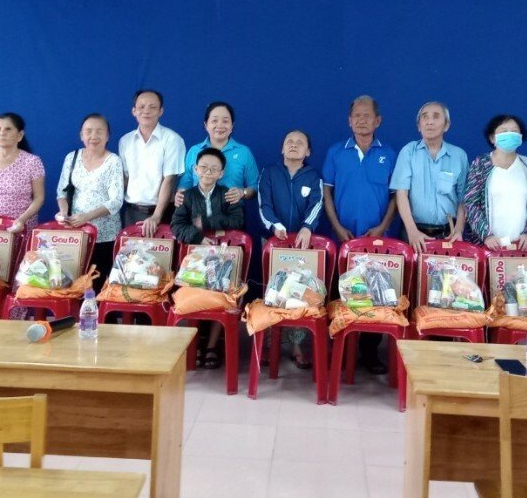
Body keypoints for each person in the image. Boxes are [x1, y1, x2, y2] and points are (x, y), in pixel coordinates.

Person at [322, 95, 398, 375]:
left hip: (377, 239)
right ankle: (340, 349)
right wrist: (337, 227)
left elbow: (396, 196)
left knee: (373, 293)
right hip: (342, 237)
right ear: (349, 120)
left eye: (367, 116)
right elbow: (326, 193)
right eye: (356, 115)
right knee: (339, 292)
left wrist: (381, 228)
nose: (361, 120)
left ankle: (369, 352)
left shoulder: (389, 154)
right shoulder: (336, 152)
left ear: (378, 120)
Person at [170, 148, 246, 369]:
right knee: (195, 295)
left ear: (221, 173)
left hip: (224, 257)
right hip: (196, 259)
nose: (208, 172)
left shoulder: (227, 194)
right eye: (203, 167)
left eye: (214, 169)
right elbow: (177, 225)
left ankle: (212, 346)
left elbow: (238, 219)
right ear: (195, 169)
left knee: (222, 295)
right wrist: (198, 237)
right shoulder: (187, 196)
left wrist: (205, 222)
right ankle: (196, 344)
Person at [257, 129, 324, 369]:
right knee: (272, 292)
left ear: (308, 152)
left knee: (298, 294)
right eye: (289, 141)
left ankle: (296, 345)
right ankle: (269, 342)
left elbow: (317, 204)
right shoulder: (269, 172)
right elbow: (263, 205)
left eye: (300, 142)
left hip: (302, 245)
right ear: (282, 148)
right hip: (273, 242)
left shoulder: (313, 176)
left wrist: (307, 227)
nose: (293, 145)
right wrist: (274, 225)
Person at [56, 113, 125, 292]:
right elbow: (62, 192)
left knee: (98, 283)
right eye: (88, 131)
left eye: (99, 131)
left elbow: (116, 201)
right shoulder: (72, 157)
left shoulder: (113, 161)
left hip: (105, 234)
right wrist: (63, 212)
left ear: (108, 136)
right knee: (74, 282)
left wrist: (87, 216)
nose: (93, 136)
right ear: (81, 135)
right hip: (76, 232)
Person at [392, 102, 468, 253]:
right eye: (424, 117)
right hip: (414, 233)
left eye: (436, 116)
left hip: (449, 235)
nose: (429, 121)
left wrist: (458, 229)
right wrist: (412, 231)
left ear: (446, 125)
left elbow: (464, 198)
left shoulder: (459, 156)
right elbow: (401, 193)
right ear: (419, 126)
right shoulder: (408, 152)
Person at [462, 114, 527, 251]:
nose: (510, 135)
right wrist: (487, 236)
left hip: (519, 247)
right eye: (504, 131)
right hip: (487, 246)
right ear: (492, 138)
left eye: (514, 131)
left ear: (521, 136)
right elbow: (471, 204)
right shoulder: (481, 164)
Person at [118, 90, 186, 238]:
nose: (146, 111)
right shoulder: (125, 141)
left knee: (161, 253)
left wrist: (156, 216)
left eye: (152, 107)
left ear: (161, 111)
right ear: (134, 111)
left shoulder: (173, 139)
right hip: (131, 212)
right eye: (141, 107)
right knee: (130, 253)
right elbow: (125, 178)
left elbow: (169, 180)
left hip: (162, 212)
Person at [175, 101, 259, 208]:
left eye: (225, 121)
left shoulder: (244, 152)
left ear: (232, 125)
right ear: (206, 125)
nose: (220, 125)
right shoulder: (194, 151)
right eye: (214, 120)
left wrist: (243, 192)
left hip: (232, 214)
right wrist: (180, 195)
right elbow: (185, 184)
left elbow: (255, 186)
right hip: (198, 213)